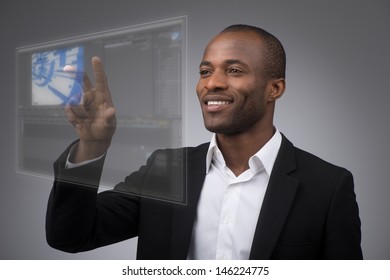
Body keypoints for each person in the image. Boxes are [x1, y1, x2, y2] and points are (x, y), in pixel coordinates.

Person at [45, 24, 363, 260]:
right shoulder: (165, 171)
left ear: (274, 89)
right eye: (205, 70)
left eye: (235, 70)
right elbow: (71, 235)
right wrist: (92, 146)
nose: (212, 83)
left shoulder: (328, 187)